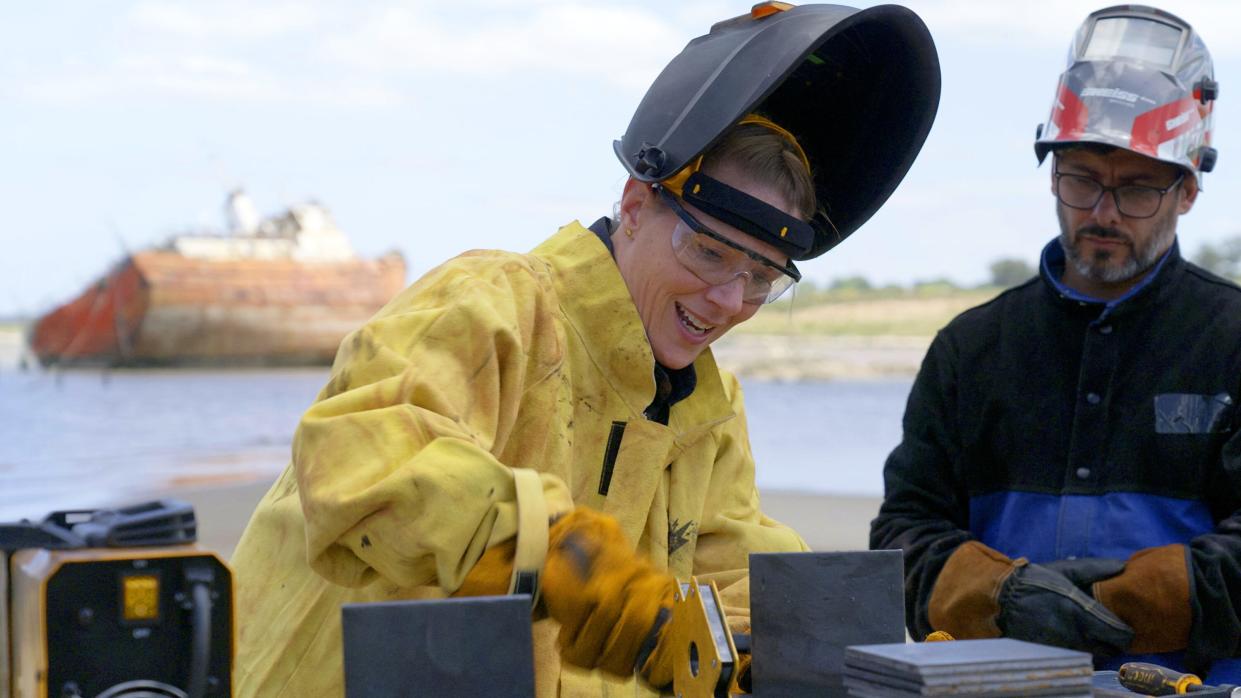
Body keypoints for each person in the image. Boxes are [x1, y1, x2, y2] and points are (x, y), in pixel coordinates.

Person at [230, 3, 940, 696]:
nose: (730, 300)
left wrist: (864, 661)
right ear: (634, 206)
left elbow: (734, 569)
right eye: (709, 252)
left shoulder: (704, 408)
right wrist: (573, 568)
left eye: (761, 277)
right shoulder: (494, 303)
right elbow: (364, 459)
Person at [871, 4, 1241, 684]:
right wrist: (997, 597)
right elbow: (901, 535)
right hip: (989, 686)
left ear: (1186, 191)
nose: (1101, 211)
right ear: (1050, 174)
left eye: (1135, 188)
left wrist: (1126, 602)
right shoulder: (968, 349)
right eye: (1080, 179)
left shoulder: (1232, 340)